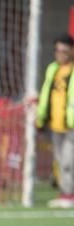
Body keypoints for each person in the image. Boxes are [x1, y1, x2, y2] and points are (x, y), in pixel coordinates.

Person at [35, 34, 74, 208]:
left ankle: (69, 194)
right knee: (59, 160)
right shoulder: (52, 69)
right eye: (57, 51)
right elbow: (46, 94)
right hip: (56, 124)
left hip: (71, 125)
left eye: (64, 51)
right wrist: (41, 118)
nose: (60, 54)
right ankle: (65, 192)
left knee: (68, 160)